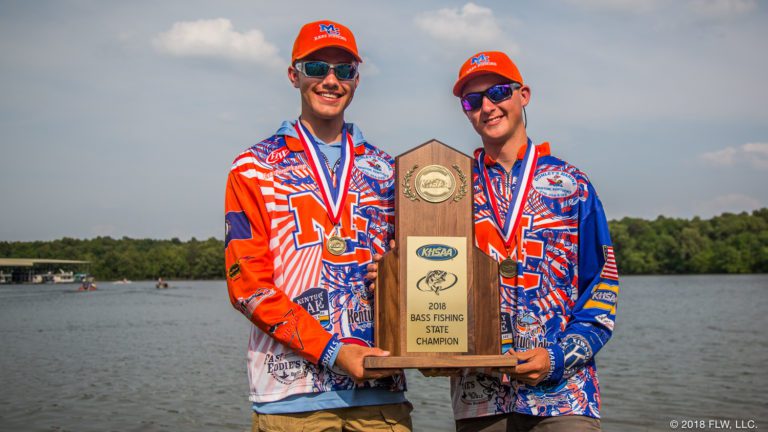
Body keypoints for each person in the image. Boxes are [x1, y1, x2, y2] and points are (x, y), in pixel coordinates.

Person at [224, 20, 412, 431]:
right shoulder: (252, 168)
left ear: (356, 80)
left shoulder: (389, 170)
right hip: (289, 398)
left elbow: (415, 269)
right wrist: (332, 351)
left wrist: (398, 276)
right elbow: (247, 287)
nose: (331, 80)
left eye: (343, 70)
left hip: (380, 390)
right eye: (317, 68)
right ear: (294, 75)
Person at [449, 51, 620, 431]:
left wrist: (558, 357)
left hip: (564, 396)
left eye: (497, 92)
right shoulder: (453, 189)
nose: (487, 107)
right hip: (479, 401)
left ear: (523, 94)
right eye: (472, 101)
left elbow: (603, 286)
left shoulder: (572, 184)